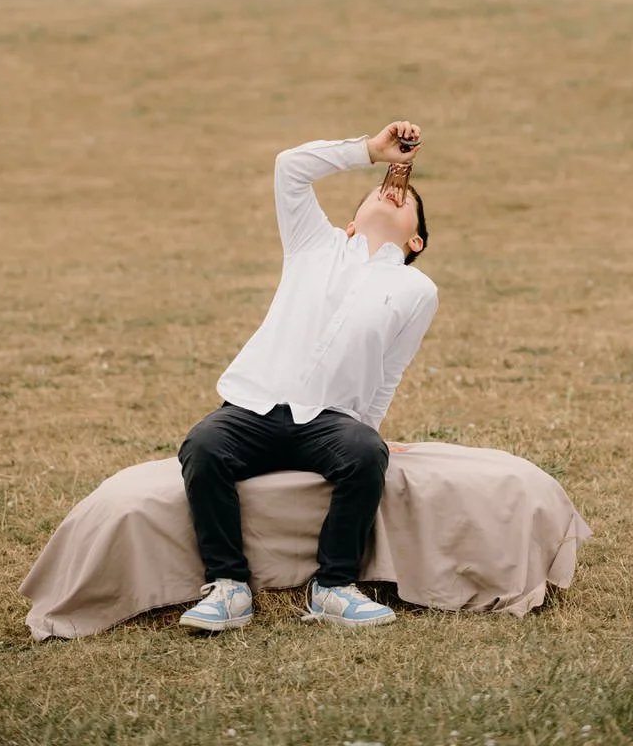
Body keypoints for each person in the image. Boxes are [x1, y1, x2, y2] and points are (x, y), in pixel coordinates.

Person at [177, 120, 438, 631]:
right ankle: (228, 587)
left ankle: (334, 588)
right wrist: (370, 150)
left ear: (417, 240)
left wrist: (371, 430)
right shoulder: (311, 246)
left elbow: (389, 371)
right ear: (350, 223)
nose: (390, 194)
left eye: (407, 200)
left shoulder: (416, 290)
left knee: (365, 454)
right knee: (204, 445)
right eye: (375, 193)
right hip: (252, 409)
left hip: (329, 423)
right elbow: (290, 167)